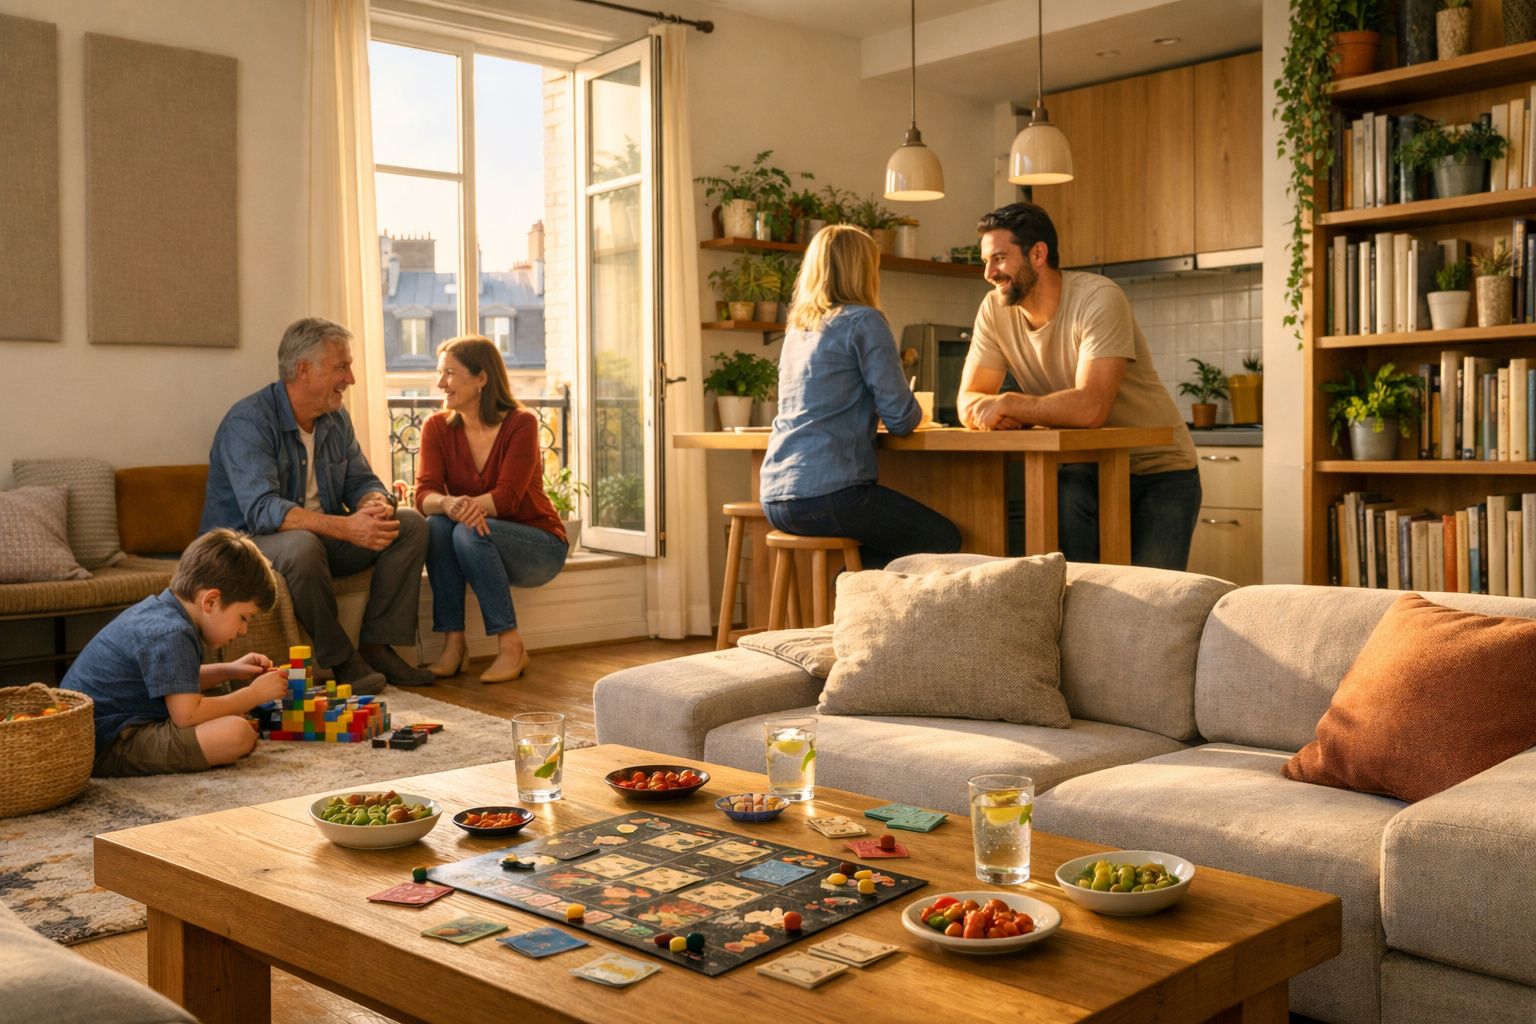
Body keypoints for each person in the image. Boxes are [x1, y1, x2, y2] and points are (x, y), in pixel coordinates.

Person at [958, 202, 1201, 570]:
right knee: (1079, 591)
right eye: (986, 261)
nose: (989, 273)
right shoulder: (994, 309)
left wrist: (1009, 404)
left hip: (1159, 471)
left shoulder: (1098, 297)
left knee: (1157, 607)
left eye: (1000, 258)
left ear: (1038, 253)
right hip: (1085, 468)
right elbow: (969, 401)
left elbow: (1091, 408)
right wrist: (992, 412)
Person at [201, 316, 434, 692]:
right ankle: (341, 660)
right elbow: (262, 510)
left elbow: (361, 479)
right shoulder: (249, 421)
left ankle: (377, 645)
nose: (351, 379)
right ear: (303, 369)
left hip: (314, 538)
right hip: (242, 544)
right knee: (302, 544)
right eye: (341, 366)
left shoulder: (335, 420)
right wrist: (347, 526)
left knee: (409, 526)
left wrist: (373, 501)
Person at [759, 225, 961, 569]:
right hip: (831, 495)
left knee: (880, 543)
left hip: (777, 498)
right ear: (864, 270)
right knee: (944, 539)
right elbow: (900, 419)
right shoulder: (865, 320)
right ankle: (851, 585)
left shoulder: (799, 329)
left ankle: (850, 581)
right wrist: (907, 405)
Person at [62, 529, 290, 776]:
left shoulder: (164, 613)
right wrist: (253, 694)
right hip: (108, 744)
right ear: (211, 601)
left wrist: (230, 670)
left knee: (217, 694)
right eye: (243, 617)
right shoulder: (171, 632)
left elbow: (173, 680)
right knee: (238, 733)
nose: (243, 630)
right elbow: (187, 714)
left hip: (100, 730)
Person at [415, 336, 569, 682]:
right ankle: (454, 644)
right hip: (479, 540)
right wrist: (448, 503)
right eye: (441, 374)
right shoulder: (436, 428)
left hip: (539, 546)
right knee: (438, 526)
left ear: (481, 378)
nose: (441, 383)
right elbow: (424, 493)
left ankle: (511, 646)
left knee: (465, 529)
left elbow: (509, 497)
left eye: (450, 374)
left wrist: (462, 510)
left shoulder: (521, 423)